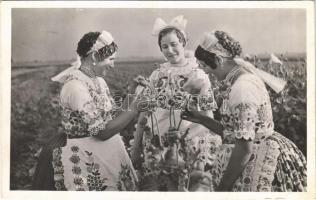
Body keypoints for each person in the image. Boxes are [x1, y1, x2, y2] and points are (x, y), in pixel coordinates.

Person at [181, 30, 307, 191]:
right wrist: (202, 119)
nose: (205, 71)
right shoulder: (241, 80)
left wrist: (223, 189)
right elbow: (237, 133)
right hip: (252, 152)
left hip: (258, 159)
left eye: (205, 65)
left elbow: (244, 147)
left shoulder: (242, 88)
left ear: (218, 60)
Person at [33, 30, 141, 191]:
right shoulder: (75, 86)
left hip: (107, 151)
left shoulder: (99, 81)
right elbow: (101, 132)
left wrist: (131, 93)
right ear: (95, 57)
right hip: (86, 154)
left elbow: (111, 117)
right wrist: (135, 108)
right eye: (111, 59)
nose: (113, 65)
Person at [130, 16, 221, 191]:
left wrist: (204, 151)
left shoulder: (199, 75)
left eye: (174, 44)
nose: (170, 50)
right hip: (157, 146)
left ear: (184, 42)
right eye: (164, 46)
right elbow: (144, 114)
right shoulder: (157, 74)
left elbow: (208, 116)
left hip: (189, 145)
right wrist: (135, 148)